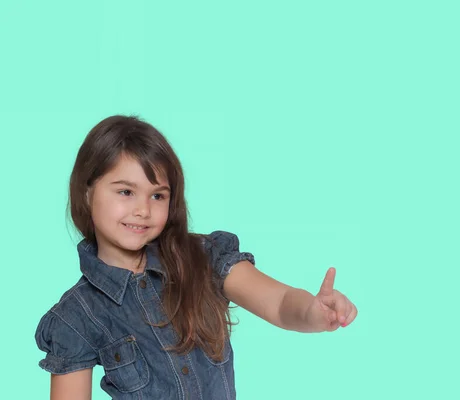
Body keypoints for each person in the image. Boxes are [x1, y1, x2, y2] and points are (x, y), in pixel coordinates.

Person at [34, 115, 358, 399]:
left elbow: (279, 301)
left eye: (158, 195)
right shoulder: (75, 317)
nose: (143, 210)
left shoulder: (203, 257)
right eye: (125, 191)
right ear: (88, 192)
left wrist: (313, 313)